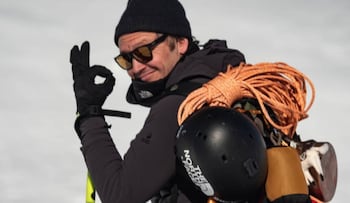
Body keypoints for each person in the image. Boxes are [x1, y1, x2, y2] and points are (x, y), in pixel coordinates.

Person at [70, 0, 246, 202]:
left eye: (144, 52)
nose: (135, 68)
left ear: (181, 43)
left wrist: (89, 116)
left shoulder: (179, 105)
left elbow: (119, 195)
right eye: (126, 59)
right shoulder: (216, 77)